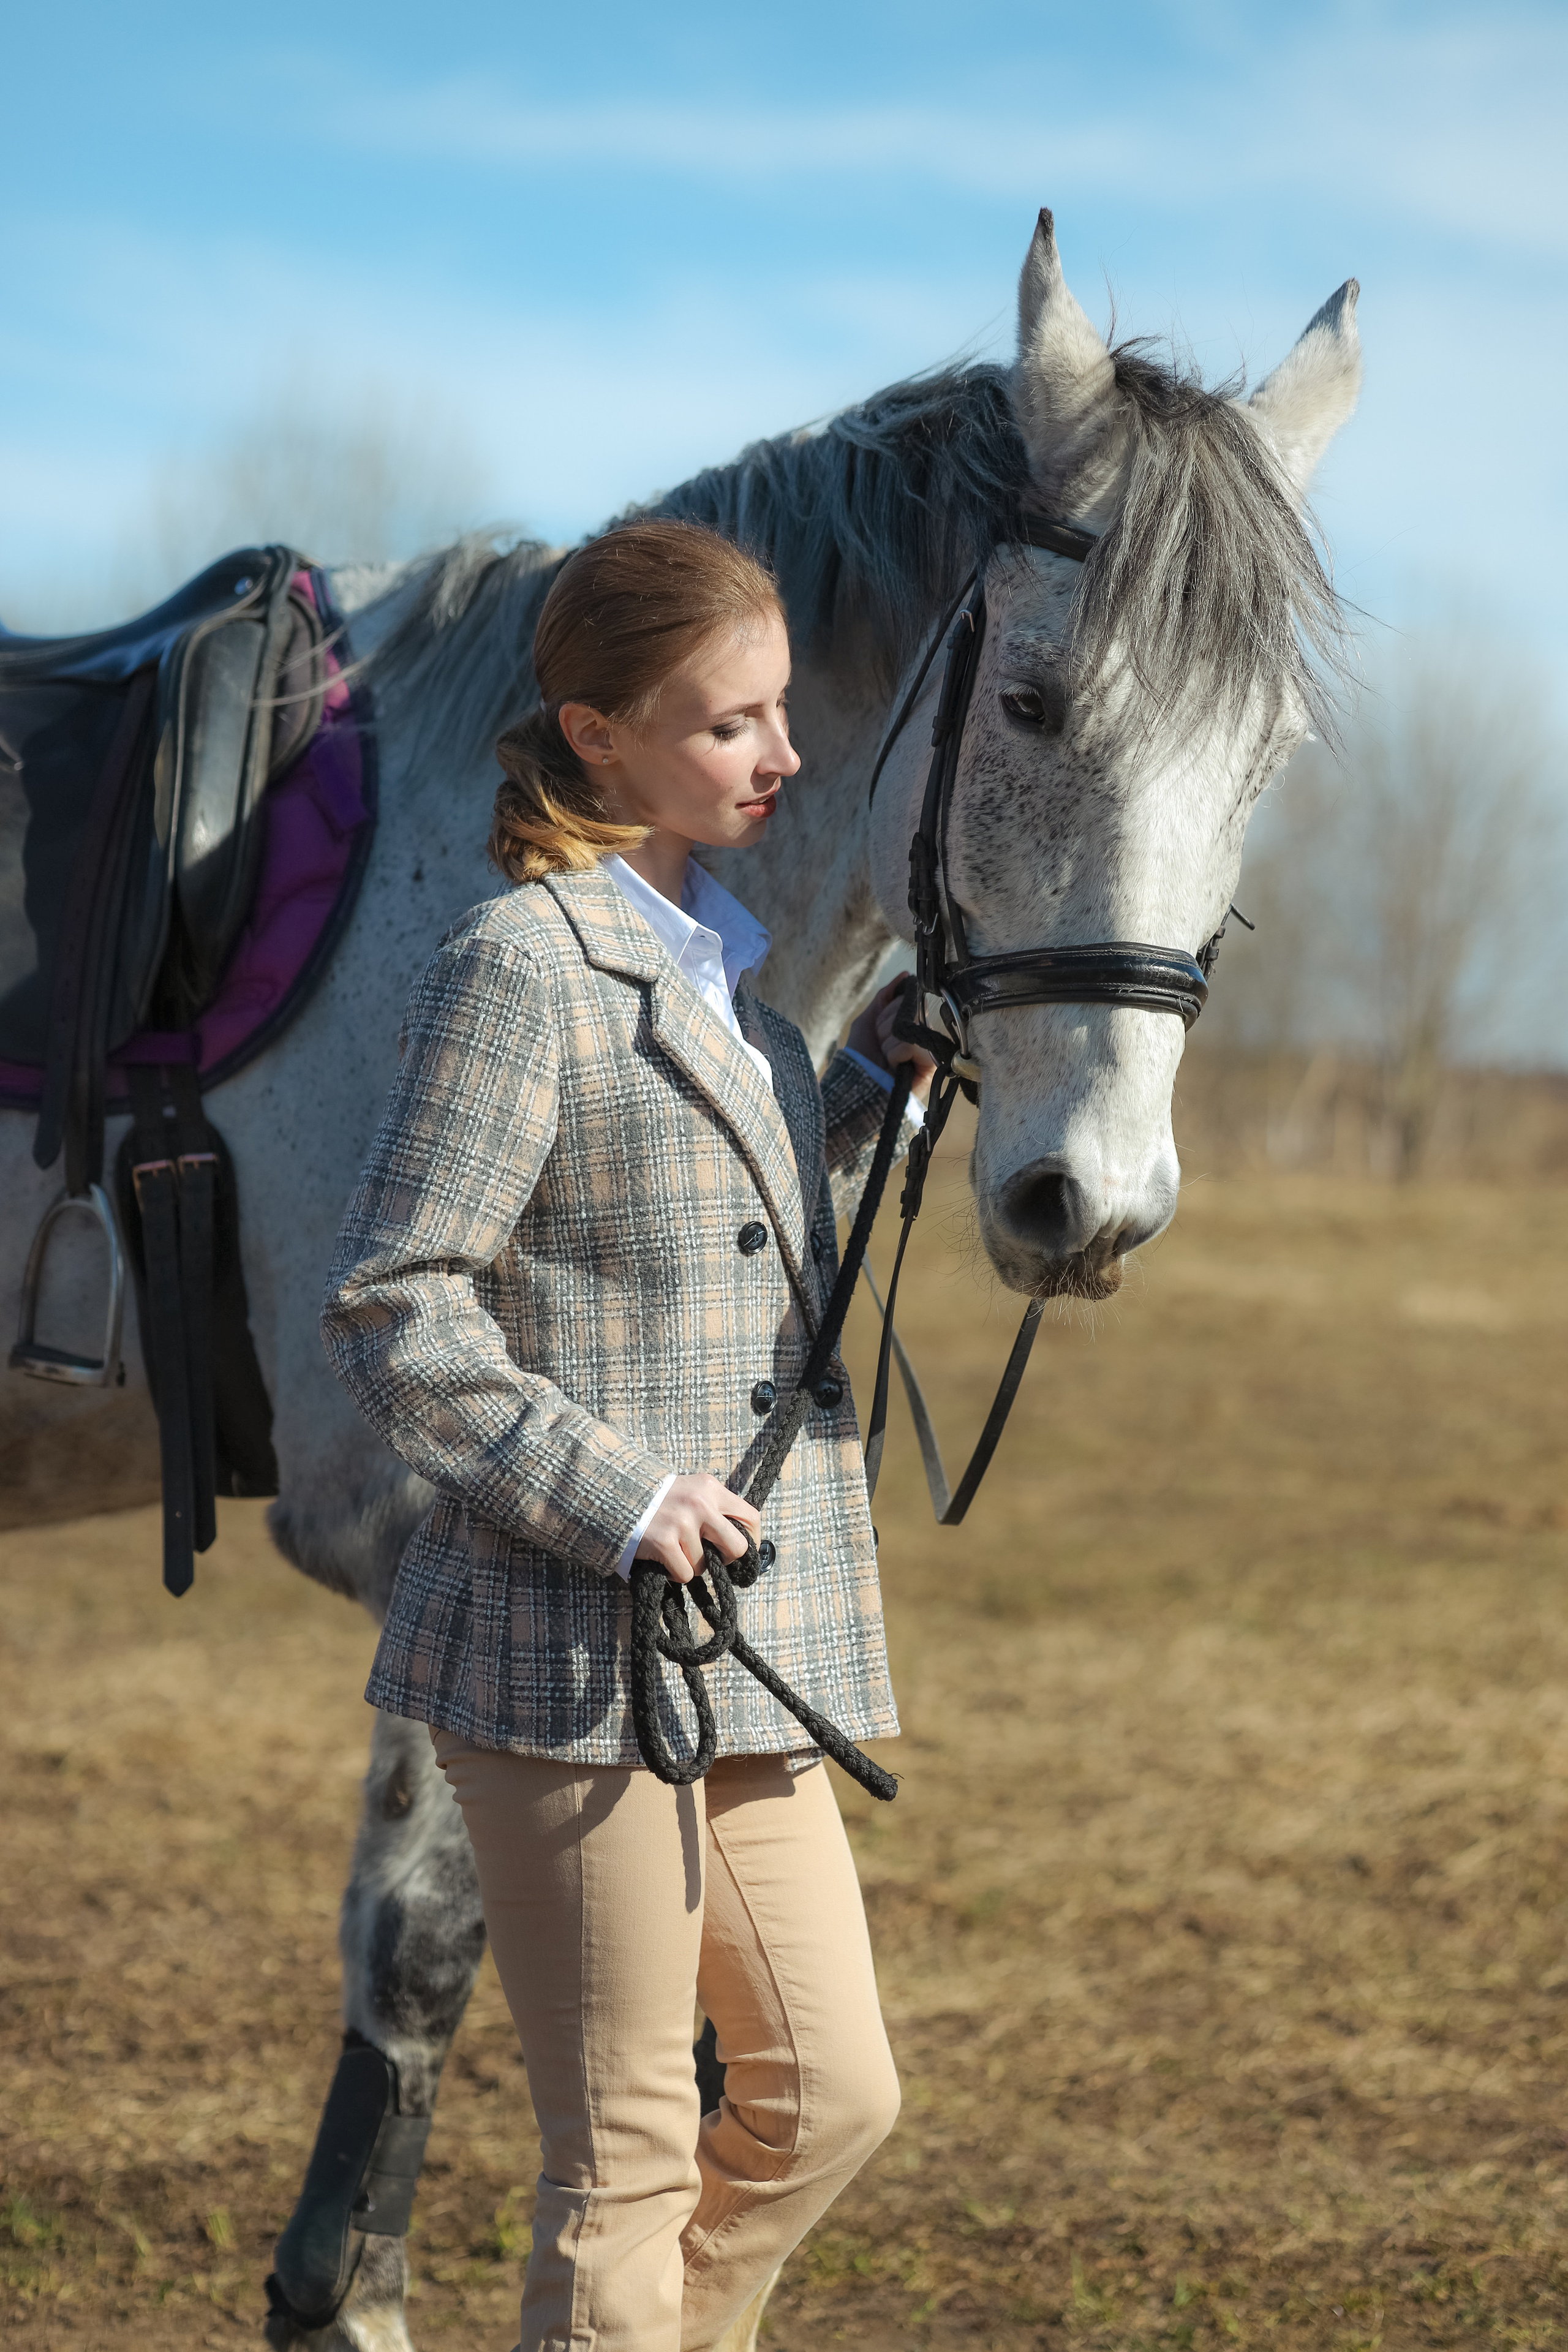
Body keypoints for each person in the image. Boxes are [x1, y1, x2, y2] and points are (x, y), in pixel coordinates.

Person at [322, 518, 935, 2351]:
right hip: (561, 1660)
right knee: (631, 2160)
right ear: (597, 733)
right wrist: (616, 1496)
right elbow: (395, 1306)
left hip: (742, 1651)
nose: (783, 753)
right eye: (731, 722)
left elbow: (694, 1224)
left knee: (833, 2097)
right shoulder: (520, 964)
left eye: (780, 711)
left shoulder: (728, 975)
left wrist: (865, 1090)